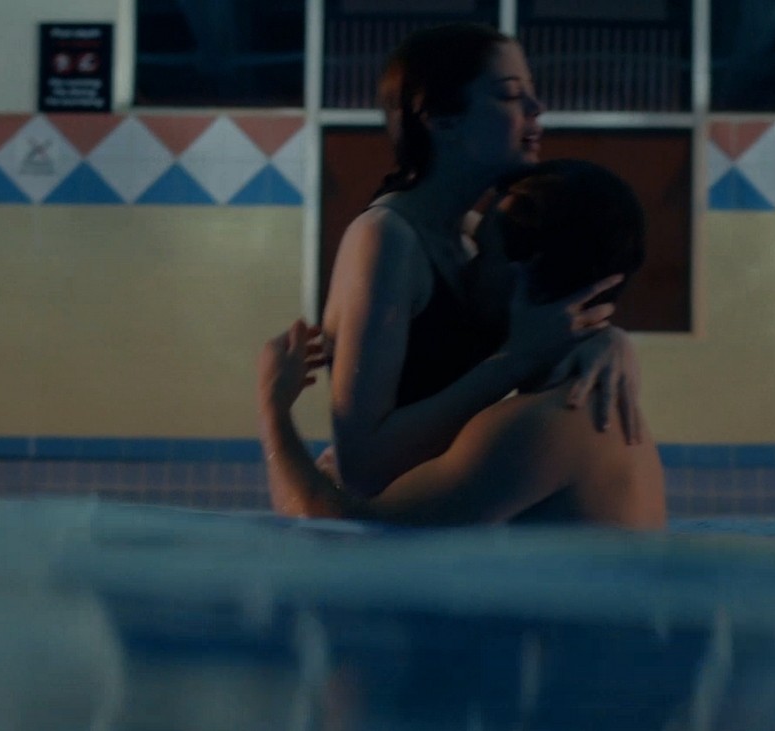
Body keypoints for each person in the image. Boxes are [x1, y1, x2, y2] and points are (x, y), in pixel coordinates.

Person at [318, 23, 644, 500]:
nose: (537, 108)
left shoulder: (474, 240)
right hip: (373, 529)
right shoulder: (386, 240)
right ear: (440, 119)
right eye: (510, 95)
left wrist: (607, 339)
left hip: (440, 521)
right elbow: (361, 467)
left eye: (532, 92)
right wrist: (512, 363)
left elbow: (539, 337)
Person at [259, 159, 664, 529]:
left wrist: (273, 411)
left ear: (524, 271)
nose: (467, 268)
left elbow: (344, 530)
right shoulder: (587, 408)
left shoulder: (539, 426)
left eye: (483, 253)